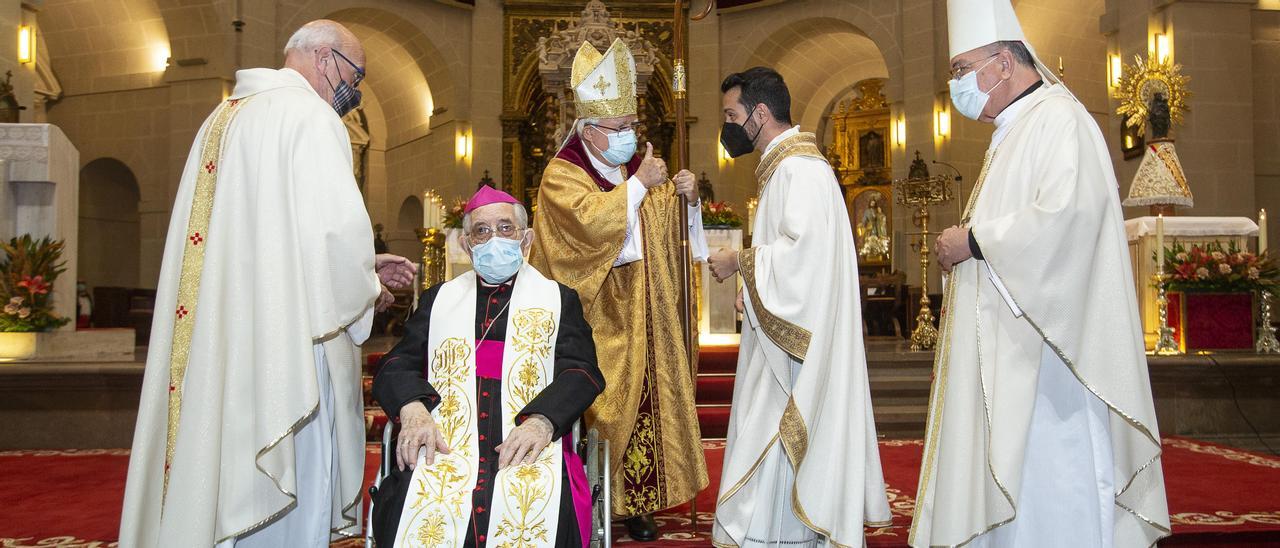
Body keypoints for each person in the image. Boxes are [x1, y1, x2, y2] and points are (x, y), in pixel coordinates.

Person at [118, 20, 418, 547]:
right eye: (358, 74)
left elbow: (265, 245)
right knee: (285, 486)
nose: (356, 90)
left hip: (225, 339)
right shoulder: (310, 117)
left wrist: (364, 265)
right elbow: (328, 243)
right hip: (287, 349)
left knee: (219, 465)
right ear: (325, 60)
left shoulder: (223, 118)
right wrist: (367, 284)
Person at [908, 1, 1170, 546]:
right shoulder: (1013, 130)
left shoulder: (1059, 120)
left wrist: (975, 240)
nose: (956, 84)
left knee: (1051, 493)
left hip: (1051, 369)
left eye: (961, 69)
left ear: (1003, 62)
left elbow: (1067, 222)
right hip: (1012, 355)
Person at [527, 37, 709, 541]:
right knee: (601, 405)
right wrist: (640, 188)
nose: (631, 135)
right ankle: (585, 494)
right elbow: (584, 229)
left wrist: (685, 202)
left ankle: (636, 503)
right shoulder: (561, 174)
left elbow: (660, 227)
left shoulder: (635, 172)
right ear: (588, 129)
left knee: (647, 400)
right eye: (620, 127)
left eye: (633, 126)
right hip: (594, 318)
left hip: (644, 313)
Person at [706, 66, 891, 548]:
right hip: (784, 340)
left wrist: (740, 261)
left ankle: (780, 537)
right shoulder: (788, 167)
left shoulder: (798, 169)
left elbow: (804, 259)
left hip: (792, 355)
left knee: (771, 431)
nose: (726, 126)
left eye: (731, 114)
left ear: (759, 113)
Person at [370, 186, 605, 547]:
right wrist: (413, 410)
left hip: (526, 441)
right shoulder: (439, 300)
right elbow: (397, 362)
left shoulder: (559, 299)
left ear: (526, 239)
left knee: (541, 501)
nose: (494, 237)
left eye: (505, 228)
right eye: (481, 230)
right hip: (445, 444)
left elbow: (581, 371)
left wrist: (542, 423)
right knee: (408, 497)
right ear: (466, 244)